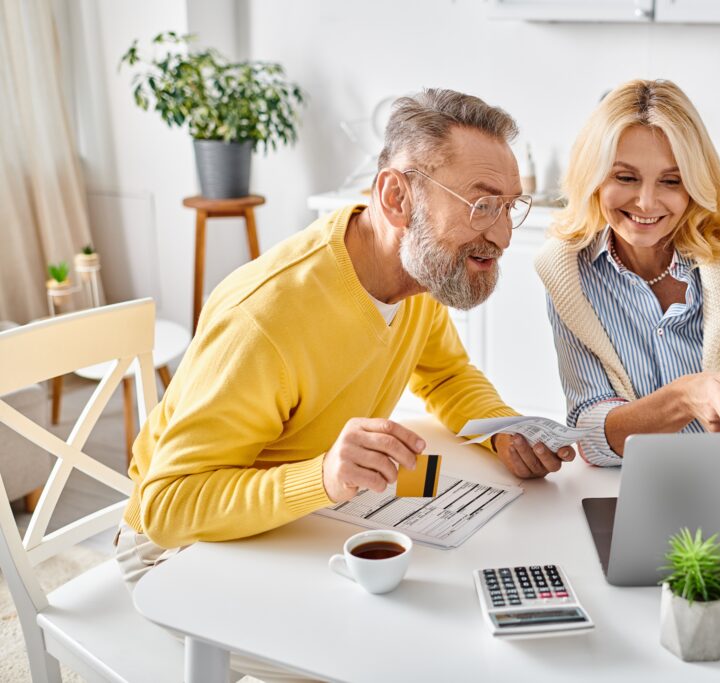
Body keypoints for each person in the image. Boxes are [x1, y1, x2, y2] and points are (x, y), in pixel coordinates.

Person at [117, 88, 576, 586]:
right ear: (397, 198)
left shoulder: (416, 274)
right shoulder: (263, 318)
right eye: (482, 204)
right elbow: (167, 506)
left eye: (509, 206)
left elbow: (446, 375)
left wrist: (501, 431)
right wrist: (324, 476)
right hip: (177, 554)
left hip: (306, 521)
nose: (504, 236)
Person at [535, 79, 720, 467]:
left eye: (671, 180)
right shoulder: (567, 271)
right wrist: (685, 397)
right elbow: (593, 436)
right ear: (594, 177)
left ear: (695, 184)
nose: (646, 202)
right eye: (625, 177)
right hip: (630, 489)